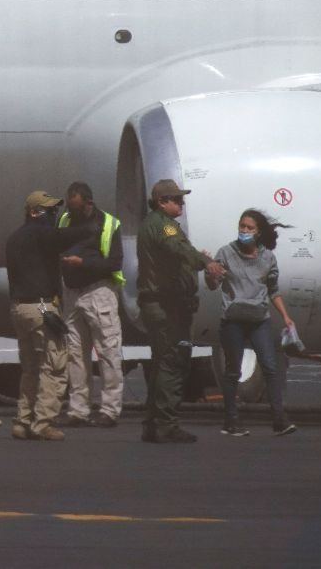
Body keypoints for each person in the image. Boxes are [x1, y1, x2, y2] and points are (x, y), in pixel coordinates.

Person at [136, 177, 225, 445]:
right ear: (162, 202)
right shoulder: (164, 226)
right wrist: (206, 262)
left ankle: (153, 424)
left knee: (162, 364)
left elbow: (177, 256)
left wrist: (196, 261)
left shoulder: (155, 224)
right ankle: (166, 424)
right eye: (176, 200)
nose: (181, 204)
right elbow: (178, 249)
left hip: (160, 306)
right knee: (173, 363)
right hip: (169, 308)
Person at [208, 208, 298, 437]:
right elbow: (213, 285)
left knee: (270, 367)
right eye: (242, 226)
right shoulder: (226, 253)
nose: (244, 231)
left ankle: (279, 419)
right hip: (233, 320)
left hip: (259, 320)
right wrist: (211, 273)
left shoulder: (268, 258)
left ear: (258, 232)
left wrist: (286, 316)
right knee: (233, 371)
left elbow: (273, 290)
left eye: (249, 228)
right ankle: (231, 421)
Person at [6, 189, 87, 440]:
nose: (54, 215)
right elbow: (65, 236)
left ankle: (23, 420)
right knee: (54, 367)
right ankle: (43, 423)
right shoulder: (40, 234)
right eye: (50, 210)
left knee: (30, 368)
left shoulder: (14, 238)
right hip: (41, 306)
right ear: (34, 212)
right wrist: (88, 225)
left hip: (20, 307)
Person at [58, 181, 125, 429]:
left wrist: (83, 263)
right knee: (75, 354)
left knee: (108, 351)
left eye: (76, 208)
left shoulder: (108, 224)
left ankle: (110, 409)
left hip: (98, 290)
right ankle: (78, 409)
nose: (71, 212)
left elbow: (115, 262)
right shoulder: (65, 220)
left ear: (88, 203)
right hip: (71, 292)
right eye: (69, 207)